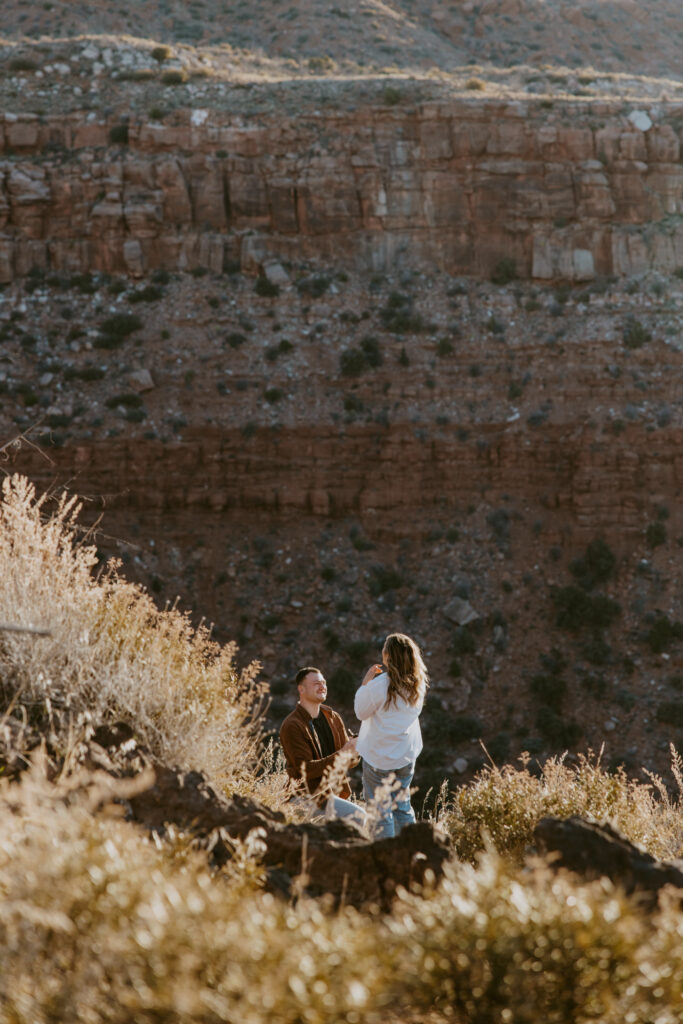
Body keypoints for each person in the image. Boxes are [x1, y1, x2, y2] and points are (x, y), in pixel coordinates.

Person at [354, 632, 428, 839]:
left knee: (380, 812)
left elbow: (360, 711)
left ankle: (385, 855)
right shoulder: (417, 684)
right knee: (402, 806)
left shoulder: (379, 686)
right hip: (405, 755)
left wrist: (365, 684)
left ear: (387, 655)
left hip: (378, 757)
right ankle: (410, 850)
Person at [279, 666, 365, 825]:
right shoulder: (292, 725)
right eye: (316, 683)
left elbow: (349, 763)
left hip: (332, 795)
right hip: (306, 796)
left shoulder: (332, 717)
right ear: (301, 689)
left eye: (324, 683)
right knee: (359, 817)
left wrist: (354, 751)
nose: (322, 686)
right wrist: (343, 753)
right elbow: (304, 771)